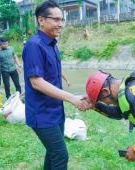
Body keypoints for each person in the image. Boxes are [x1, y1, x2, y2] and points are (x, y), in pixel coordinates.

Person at [22, 1, 90, 170]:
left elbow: (54, 74)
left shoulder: (52, 44)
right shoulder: (34, 45)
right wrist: (72, 98)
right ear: (41, 20)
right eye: (56, 19)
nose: (60, 24)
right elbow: (36, 82)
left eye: (62, 20)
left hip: (56, 111)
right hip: (42, 114)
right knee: (60, 155)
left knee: (52, 153)